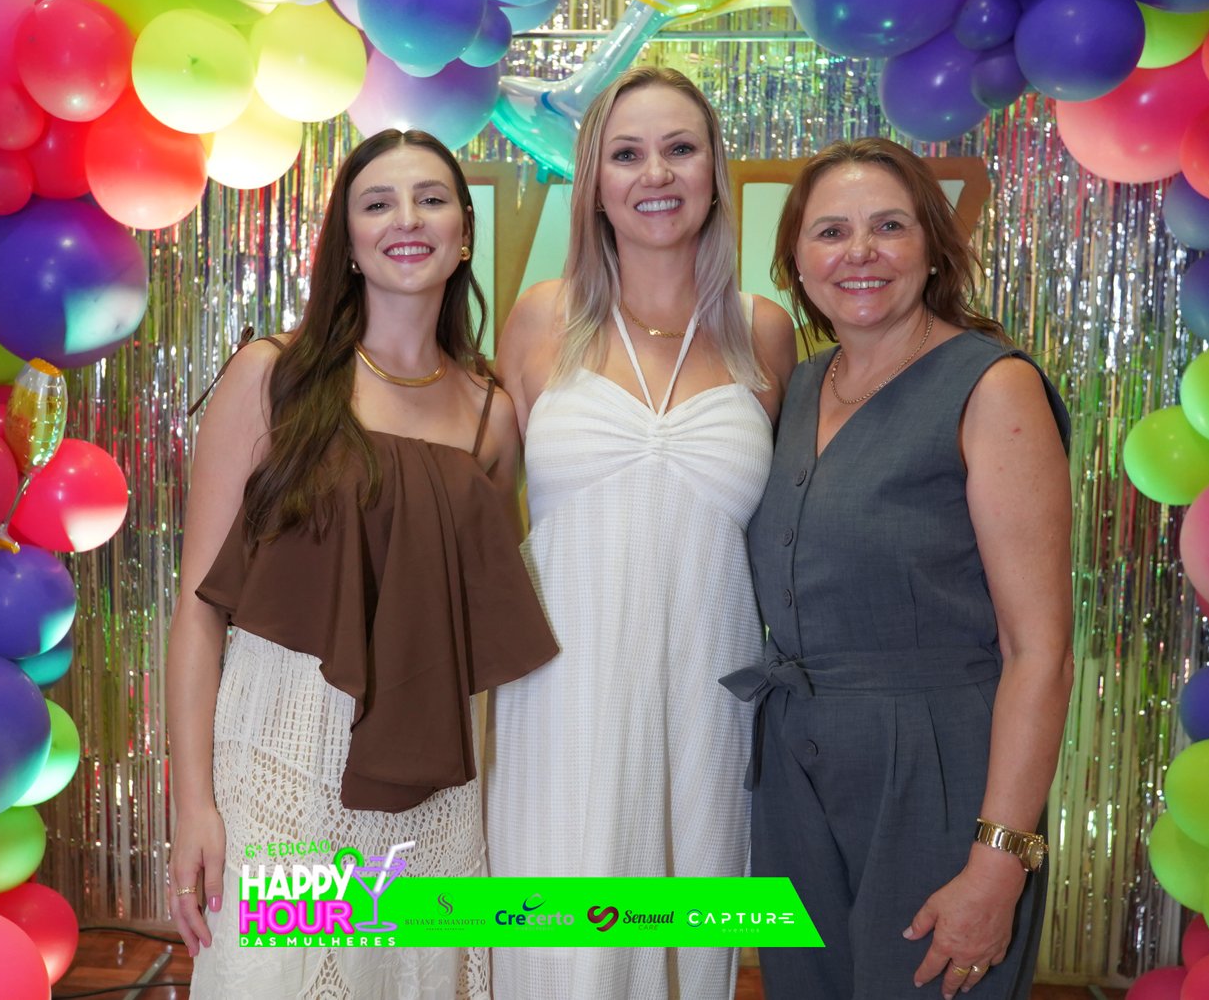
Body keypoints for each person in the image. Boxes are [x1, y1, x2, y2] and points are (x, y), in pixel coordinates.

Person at [166, 129, 559, 999]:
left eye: (431, 199)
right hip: (280, 765)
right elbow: (198, 608)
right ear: (347, 241)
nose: (406, 219)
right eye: (378, 203)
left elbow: (470, 613)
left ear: (464, 234)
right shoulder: (271, 376)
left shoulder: (492, 412)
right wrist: (193, 803)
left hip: (435, 787)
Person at [727, 137, 1074, 1000]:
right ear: (796, 261)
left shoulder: (992, 387)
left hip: (937, 771)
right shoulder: (800, 386)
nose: (861, 252)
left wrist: (998, 861)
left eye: (889, 226)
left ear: (932, 248)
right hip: (796, 770)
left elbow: (1039, 650)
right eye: (831, 231)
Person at [487, 65, 799, 999]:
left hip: (708, 690)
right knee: (560, 951)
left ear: (713, 171)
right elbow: (479, 511)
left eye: (679, 148)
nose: (655, 173)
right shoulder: (542, 318)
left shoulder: (764, 331)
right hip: (557, 690)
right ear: (593, 181)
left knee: (683, 946)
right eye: (626, 153)